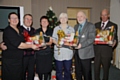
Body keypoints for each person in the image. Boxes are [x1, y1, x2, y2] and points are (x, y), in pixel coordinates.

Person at [1, 12, 39, 80]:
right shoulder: (9, 30)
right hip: (11, 61)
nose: (14, 20)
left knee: (21, 76)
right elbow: (18, 44)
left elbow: (10, 41)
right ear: (9, 20)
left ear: (18, 20)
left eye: (16, 18)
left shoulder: (18, 30)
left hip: (19, 59)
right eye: (12, 18)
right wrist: (32, 46)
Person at [94, 9, 118, 80]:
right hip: (97, 51)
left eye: (105, 15)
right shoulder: (96, 25)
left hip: (106, 51)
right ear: (100, 16)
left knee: (106, 71)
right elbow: (93, 36)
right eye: (102, 15)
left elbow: (115, 37)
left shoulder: (113, 25)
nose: (104, 16)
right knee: (96, 70)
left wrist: (114, 42)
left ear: (108, 15)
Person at [52, 13, 74, 80]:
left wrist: (71, 43)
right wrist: (56, 43)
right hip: (59, 53)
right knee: (59, 71)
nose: (63, 19)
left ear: (67, 19)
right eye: (61, 18)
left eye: (65, 17)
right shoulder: (56, 29)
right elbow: (53, 39)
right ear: (59, 20)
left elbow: (73, 40)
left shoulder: (71, 29)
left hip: (68, 53)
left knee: (67, 70)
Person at [74, 11, 95, 80]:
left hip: (86, 54)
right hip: (77, 53)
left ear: (85, 17)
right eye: (77, 17)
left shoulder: (90, 26)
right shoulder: (76, 27)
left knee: (87, 74)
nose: (79, 18)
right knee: (78, 72)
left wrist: (81, 45)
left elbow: (91, 39)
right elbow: (74, 38)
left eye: (81, 16)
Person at [35, 16, 53, 80]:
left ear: (48, 23)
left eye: (46, 21)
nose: (44, 22)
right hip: (39, 54)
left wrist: (45, 44)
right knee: (40, 71)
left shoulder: (51, 31)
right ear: (40, 23)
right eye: (43, 21)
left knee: (47, 71)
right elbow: (36, 42)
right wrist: (40, 45)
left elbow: (51, 42)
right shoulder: (37, 31)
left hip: (48, 54)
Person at [19, 14, 36, 80]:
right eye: (27, 19)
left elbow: (36, 41)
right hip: (22, 55)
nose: (29, 21)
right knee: (22, 73)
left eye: (30, 19)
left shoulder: (33, 30)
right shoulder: (19, 29)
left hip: (32, 55)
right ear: (23, 20)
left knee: (31, 73)